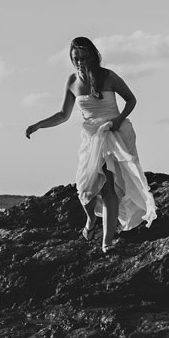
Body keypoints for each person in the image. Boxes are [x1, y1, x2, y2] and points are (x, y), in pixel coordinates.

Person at [25, 36, 156, 252]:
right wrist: (39, 125)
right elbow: (63, 114)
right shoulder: (72, 82)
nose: (79, 62)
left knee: (109, 188)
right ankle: (91, 220)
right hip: (91, 137)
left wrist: (118, 120)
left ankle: (107, 242)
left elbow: (131, 100)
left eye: (83, 57)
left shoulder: (108, 76)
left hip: (114, 134)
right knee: (85, 189)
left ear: (93, 56)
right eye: (75, 58)